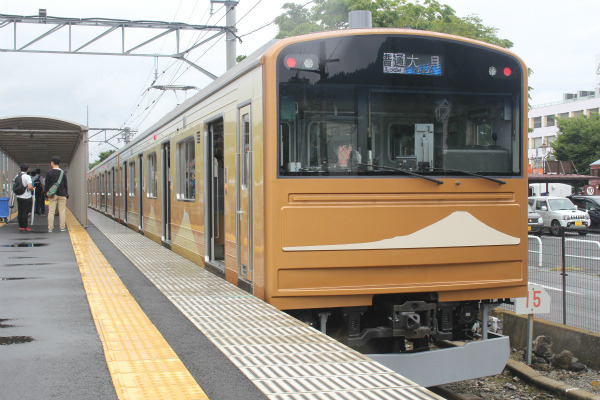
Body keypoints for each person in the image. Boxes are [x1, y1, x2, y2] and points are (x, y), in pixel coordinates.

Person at [44, 156, 68, 232]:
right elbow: (65, 184)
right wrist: (66, 194)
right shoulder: (62, 172)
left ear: (52, 163)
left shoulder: (49, 172)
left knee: (51, 211)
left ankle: (50, 228)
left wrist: (46, 194)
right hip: (62, 194)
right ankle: (62, 227)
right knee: (62, 211)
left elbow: (47, 184)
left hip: (52, 195)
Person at [15, 164, 34, 232]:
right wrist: (33, 189)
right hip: (26, 196)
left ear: (20, 169)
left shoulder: (17, 176)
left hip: (19, 196)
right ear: (27, 169)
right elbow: (29, 187)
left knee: (20, 211)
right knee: (25, 212)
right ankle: (25, 226)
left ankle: (21, 226)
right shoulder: (27, 177)